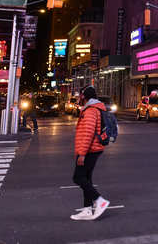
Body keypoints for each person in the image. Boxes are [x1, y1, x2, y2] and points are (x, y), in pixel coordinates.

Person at [71, 86, 110, 221]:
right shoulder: (94, 108)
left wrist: (82, 154)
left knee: (78, 177)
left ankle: (99, 201)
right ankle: (87, 210)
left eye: (81, 95)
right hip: (93, 149)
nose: (79, 98)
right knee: (86, 179)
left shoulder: (90, 111)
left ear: (85, 96)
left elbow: (88, 132)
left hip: (89, 150)